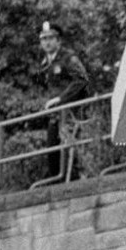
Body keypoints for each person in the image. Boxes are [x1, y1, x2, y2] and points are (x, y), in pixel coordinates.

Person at [37, 21, 93, 178]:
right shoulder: (45, 63)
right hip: (55, 114)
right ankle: (58, 183)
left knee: (69, 151)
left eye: (50, 38)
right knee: (52, 151)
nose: (47, 42)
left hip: (71, 113)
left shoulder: (68, 58)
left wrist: (60, 98)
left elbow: (82, 80)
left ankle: (75, 181)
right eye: (43, 39)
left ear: (58, 40)